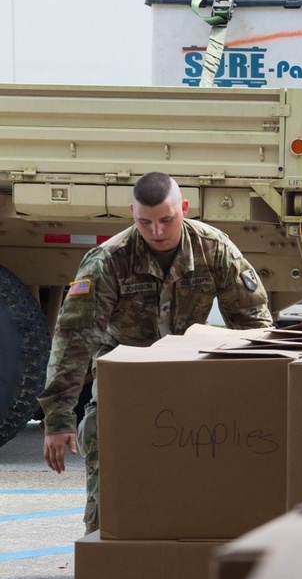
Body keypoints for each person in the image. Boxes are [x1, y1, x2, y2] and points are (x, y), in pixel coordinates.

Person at [38, 171, 273, 534]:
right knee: (104, 444)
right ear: (131, 212)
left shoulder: (214, 249)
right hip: (124, 379)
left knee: (215, 459)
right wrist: (57, 420)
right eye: (144, 222)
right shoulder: (108, 261)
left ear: (184, 208)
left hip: (191, 376)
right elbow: (73, 340)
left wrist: (263, 396)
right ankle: (104, 549)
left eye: (167, 220)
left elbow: (254, 325)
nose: (157, 232)